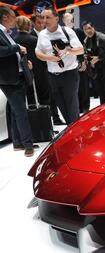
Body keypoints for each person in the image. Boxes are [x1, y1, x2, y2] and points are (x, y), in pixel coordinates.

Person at [36, 8, 84, 125]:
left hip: (69, 74)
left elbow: (81, 50)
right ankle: (73, 131)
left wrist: (67, 51)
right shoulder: (42, 34)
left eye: (48, 17)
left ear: (56, 18)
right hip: (53, 76)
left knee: (72, 107)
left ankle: (76, 135)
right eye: (43, 17)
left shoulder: (67, 31)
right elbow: (38, 52)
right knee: (62, 106)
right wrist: (49, 58)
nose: (45, 20)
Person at [0, 5, 37, 156]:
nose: (15, 19)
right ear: (5, 17)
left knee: (17, 111)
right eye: (13, 16)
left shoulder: (6, 33)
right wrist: (17, 48)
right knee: (21, 112)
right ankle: (28, 146)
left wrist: (23, 61)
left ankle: (18, 143)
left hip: (17, 76)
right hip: (8, 80)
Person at [63, 13, 89, 114]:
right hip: (68, 64)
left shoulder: (78, 31)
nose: (70, 22)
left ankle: (85, 107)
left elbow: (83, 47)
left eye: (71, 20)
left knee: (84, 85)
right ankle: (76, 108)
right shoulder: (62, 33)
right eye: (68, 20)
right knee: (73, 87)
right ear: (63, 20)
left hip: (79, 61)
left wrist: (83, 61)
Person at [82, 21, 105, 105]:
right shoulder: (86, 40)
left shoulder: (102, 38)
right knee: (101, 94)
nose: (87, 31)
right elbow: (86, 53)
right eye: (85, 29)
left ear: (93, 28)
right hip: (96, 72)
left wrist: (99, 58)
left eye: (89, 28)